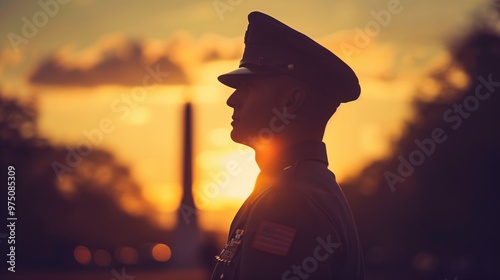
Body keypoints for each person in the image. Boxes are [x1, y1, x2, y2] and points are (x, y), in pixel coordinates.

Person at [211, 11, 365, 280]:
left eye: (248, 87)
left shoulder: (289, 201)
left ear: (291, 102)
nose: (232, 100)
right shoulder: (292, 187)